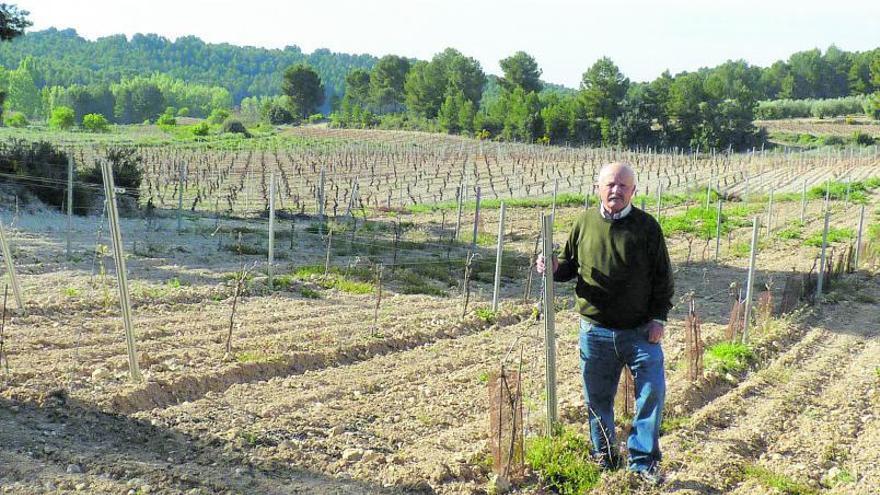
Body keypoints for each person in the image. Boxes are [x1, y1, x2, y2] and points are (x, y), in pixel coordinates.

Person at [537, 161, 673, 485]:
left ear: (633, 192)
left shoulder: (648, 228)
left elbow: (663, 279)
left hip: (640, 332)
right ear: (598, 188)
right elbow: (570, 267)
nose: (616, 190)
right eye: (610, 184)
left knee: (653, 392)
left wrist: (658, 319)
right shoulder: (583, 223)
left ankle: (642, 462)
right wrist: (553, 267)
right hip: (594, 332)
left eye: (623, 186)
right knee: (597, 399)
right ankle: (605, 458)